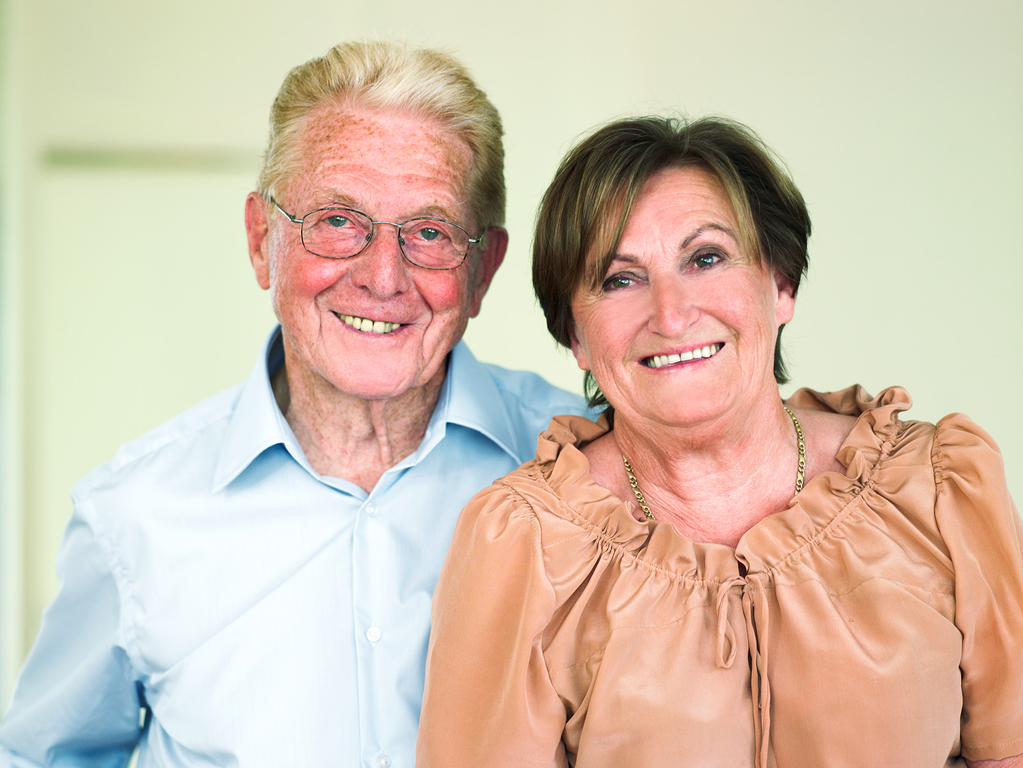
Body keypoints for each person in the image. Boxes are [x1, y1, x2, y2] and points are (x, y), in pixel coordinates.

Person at [0, 41, 589, 767]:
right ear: (261, 241)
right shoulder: (132, 515)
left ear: (483, 270)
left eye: (430, 232)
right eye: (337, 221)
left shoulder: (592, 470)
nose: (382, 277)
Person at [417, 116, 1023, 767]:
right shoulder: (521, 545)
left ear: (781, 286)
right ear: (577, 338)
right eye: (620, 279)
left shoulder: (938, 488)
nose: (671, 314)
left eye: (705, 259)